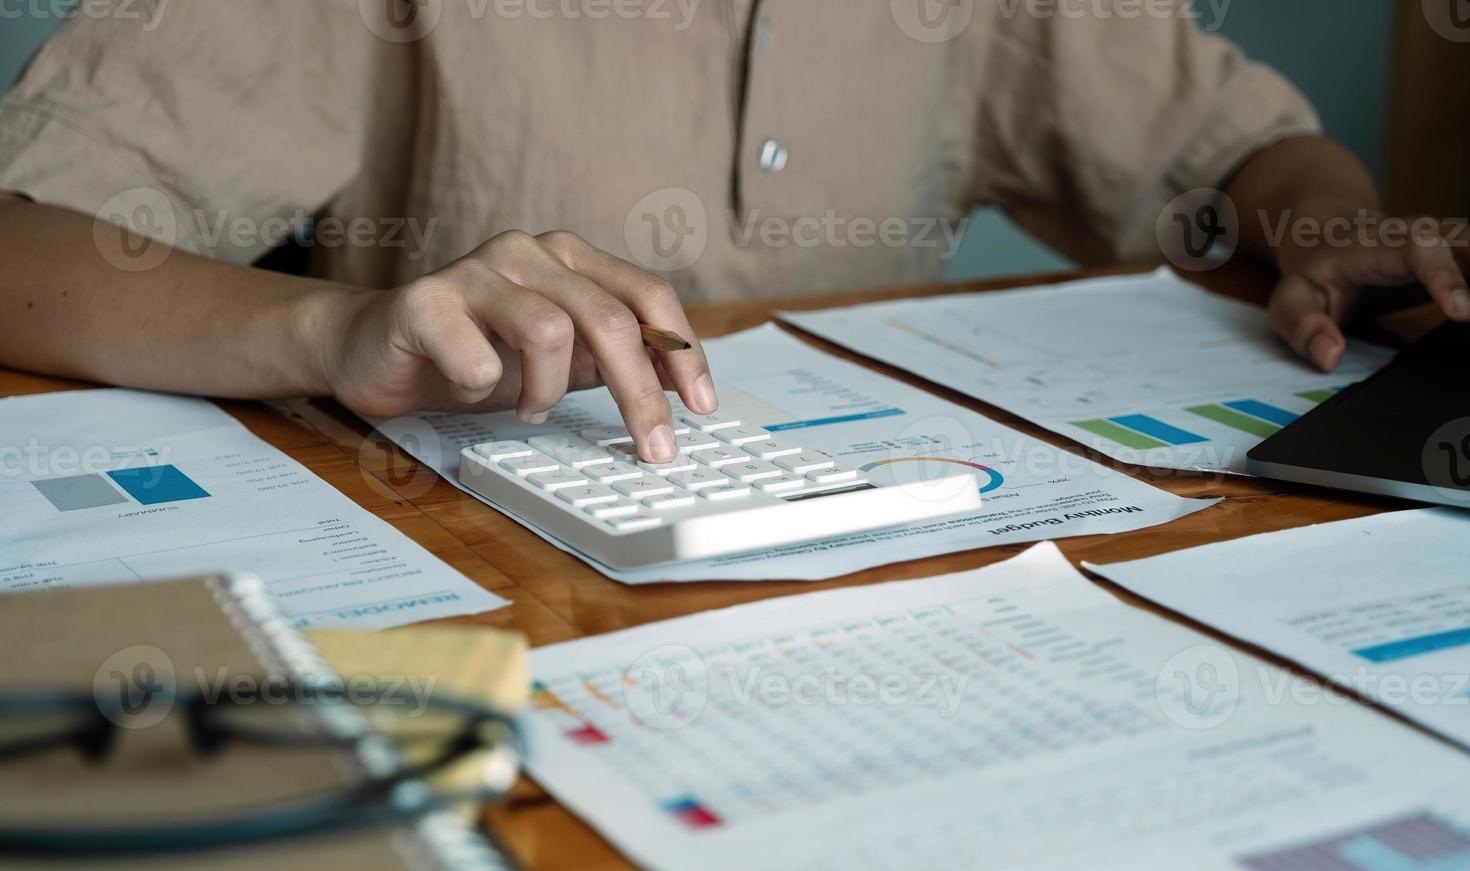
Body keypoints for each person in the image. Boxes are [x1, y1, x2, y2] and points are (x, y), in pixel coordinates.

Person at [0, 1, 1464, 464]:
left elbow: (1229, 147)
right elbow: (19, 239)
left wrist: (1323, 223)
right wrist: (329, 331)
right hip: (498, 601)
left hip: (899, 569)